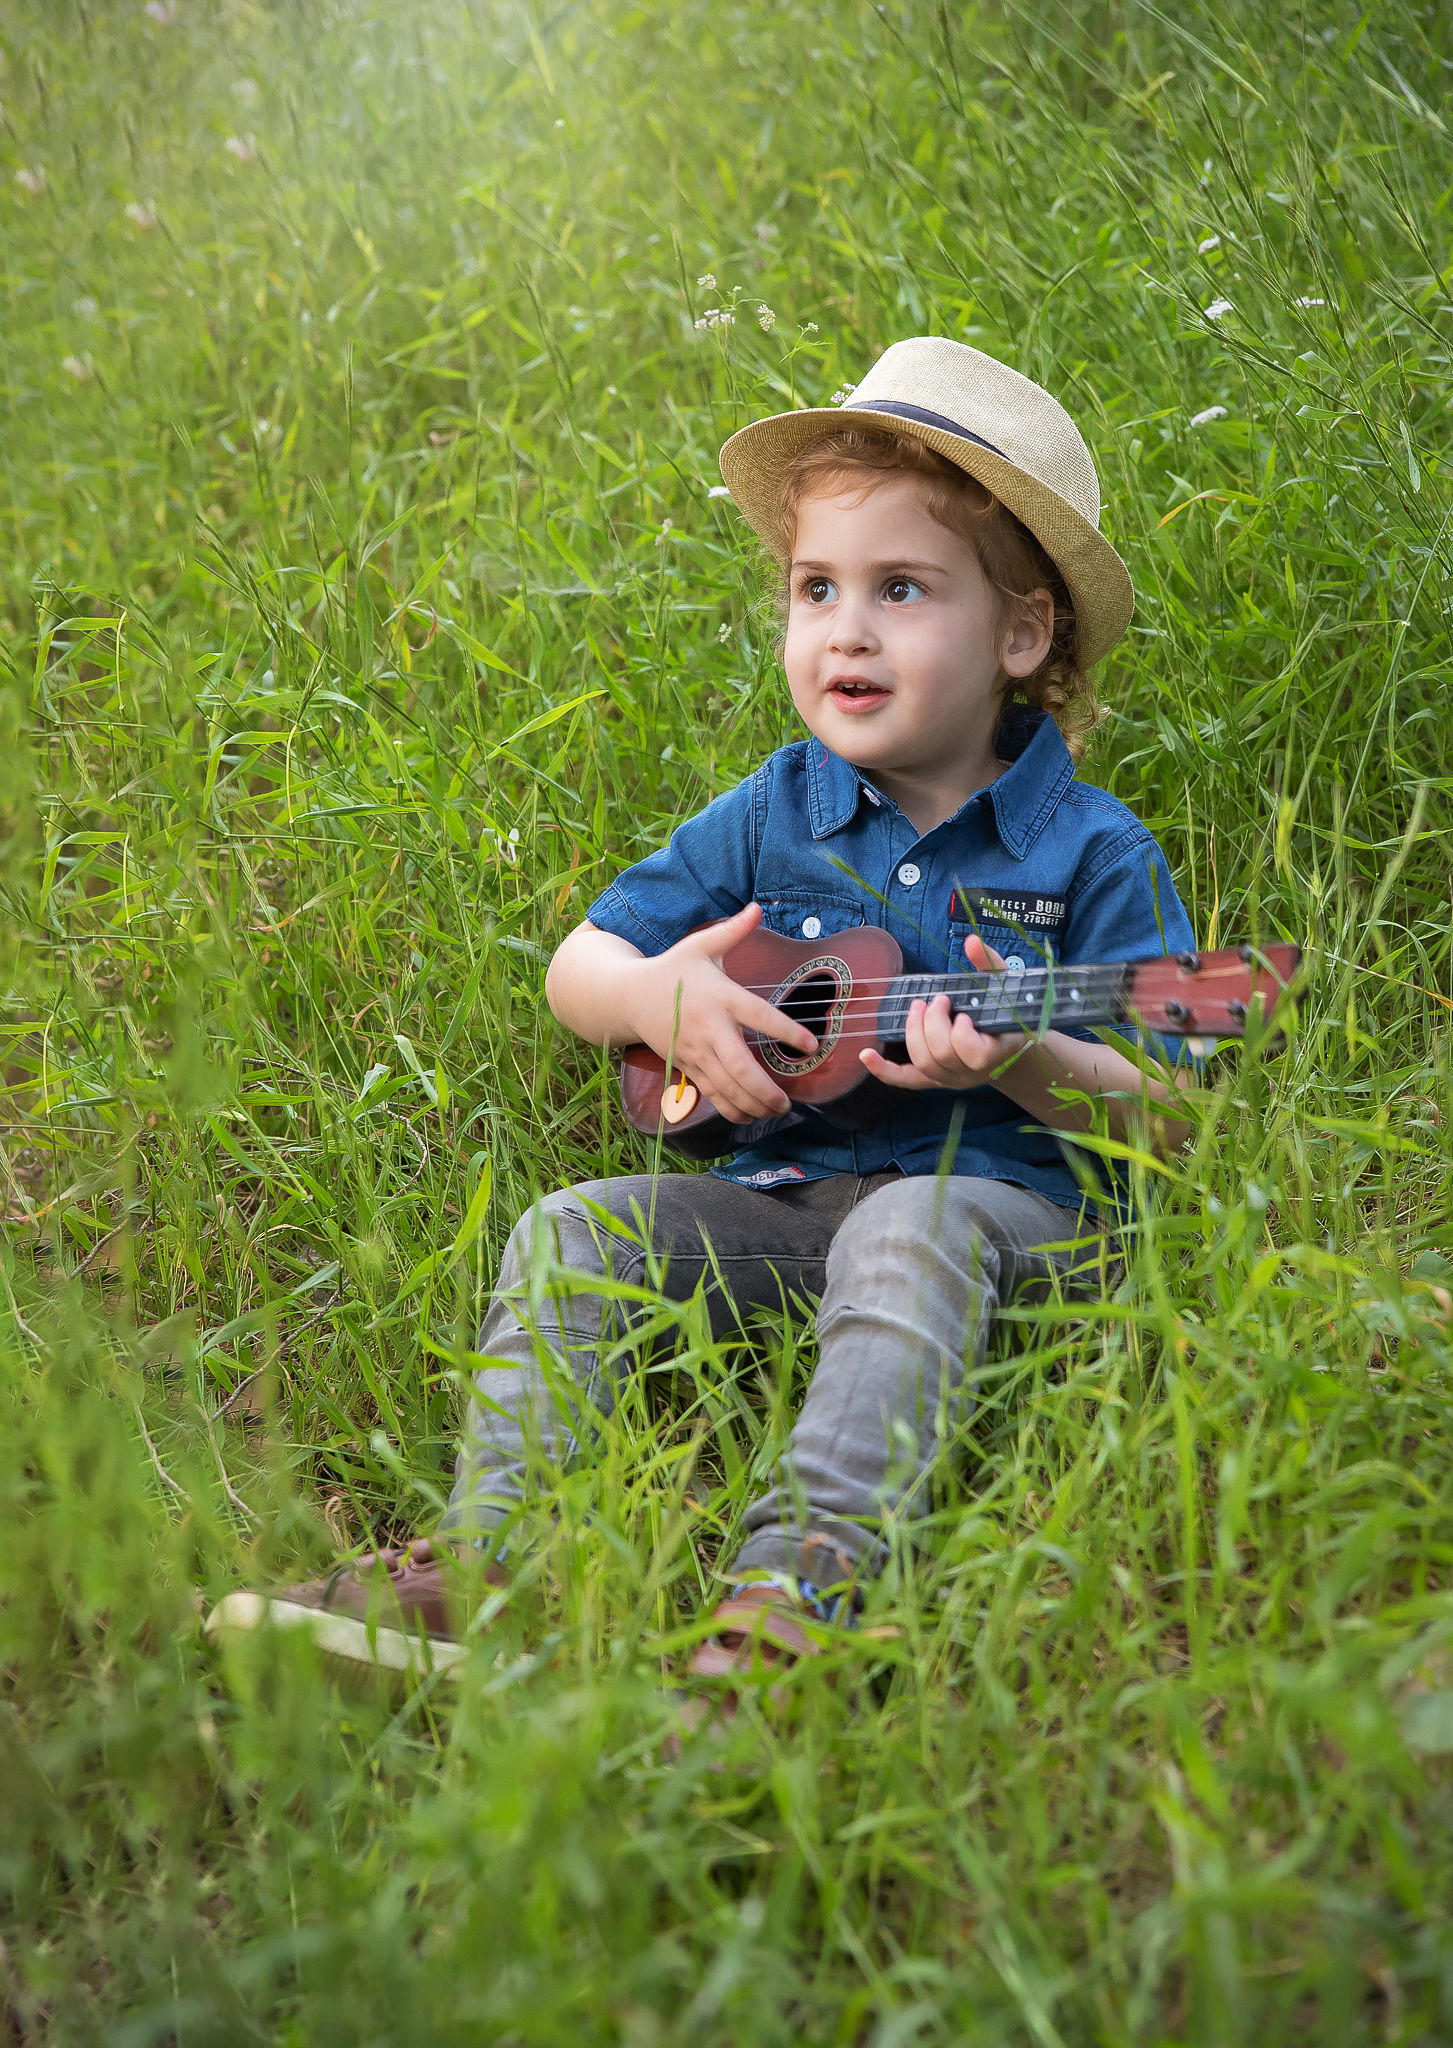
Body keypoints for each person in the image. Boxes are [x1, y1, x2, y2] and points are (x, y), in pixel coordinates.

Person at [211, 337, 1197, 1713]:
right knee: (573, 1231)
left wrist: (1026, 1053)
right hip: (789, 1209)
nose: (845, 631)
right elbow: (582, 961)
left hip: (1003, 1232)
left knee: (912, 1227)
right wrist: (650, 998)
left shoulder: (1088, 851)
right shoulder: (775, 809)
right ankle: (493, 1567)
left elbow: (1166, 1116)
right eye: (815, 588)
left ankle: (799, 1599)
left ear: (1020, 635)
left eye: (902, 589)